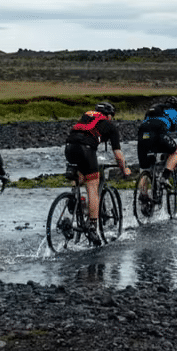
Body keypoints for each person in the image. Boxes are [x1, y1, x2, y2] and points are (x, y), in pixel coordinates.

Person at [64, 102, 131, 245]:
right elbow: (118, 155)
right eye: (111, 116)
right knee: (93, 186)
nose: (111, 119)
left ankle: (76, 201)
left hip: (69, 147)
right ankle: (92, 227)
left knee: (80, 177)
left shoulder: (87, 115)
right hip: (86, 149)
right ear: (108, 115)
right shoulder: (110, 126)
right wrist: (124, 169)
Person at [137, 96, 177, 179]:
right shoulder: (174, 112)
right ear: (176, 107)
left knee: (145, 169)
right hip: (159, 134)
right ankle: (164, 177)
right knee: (176, 152)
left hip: (142, 135)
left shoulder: (154, 111)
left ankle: (143, 190)